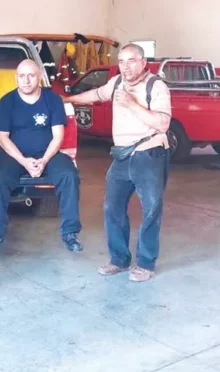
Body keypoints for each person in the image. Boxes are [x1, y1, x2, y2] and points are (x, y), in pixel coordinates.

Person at [64, 43, 171, 282]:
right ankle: (119, 260)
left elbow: (163, 124)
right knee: (112, 208)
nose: (126, 67)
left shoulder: (156, 86)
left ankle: (145, 264)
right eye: (122, 61)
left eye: (131, 61)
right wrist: (65, 99)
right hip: (121, 156)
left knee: (151, 210)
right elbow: (95, 95)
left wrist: (131, 103)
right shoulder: (116, 84)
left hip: (148, 153)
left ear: (143, 63)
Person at [0, 59, 83, 252]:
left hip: (48, 154)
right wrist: (24, 161)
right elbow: (3, 138)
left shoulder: (53, 100)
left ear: (39, 77)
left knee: (69, 175)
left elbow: (58, 136)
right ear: (16, 79)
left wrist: (44, 160)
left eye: (31, 75)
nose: (27, 80)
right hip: (15, 155)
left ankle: (70, 233)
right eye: (22, 76)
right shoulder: (7, 101)